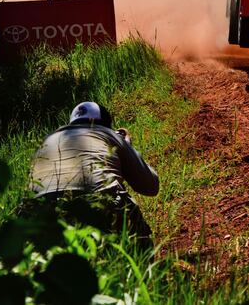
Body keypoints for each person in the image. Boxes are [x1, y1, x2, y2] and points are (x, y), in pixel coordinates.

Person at [28, 102, 159, 242]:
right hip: (100, 207)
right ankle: (140, 259)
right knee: (135, 233)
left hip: (42, 215)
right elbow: (150, 186)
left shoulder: (47, 140)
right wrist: (127, 147)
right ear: (106, 124)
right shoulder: (108, 134)